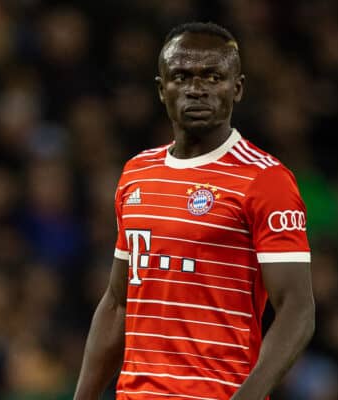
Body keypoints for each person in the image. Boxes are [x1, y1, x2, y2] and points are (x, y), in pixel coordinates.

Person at [74, 22, 315, 400]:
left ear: (237, 88)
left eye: (213, 76)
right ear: (161, 89)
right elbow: (119, 302)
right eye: (182, 76)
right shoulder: (137, 174)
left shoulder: (266, 180)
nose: (197, 88)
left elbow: (297, 311)